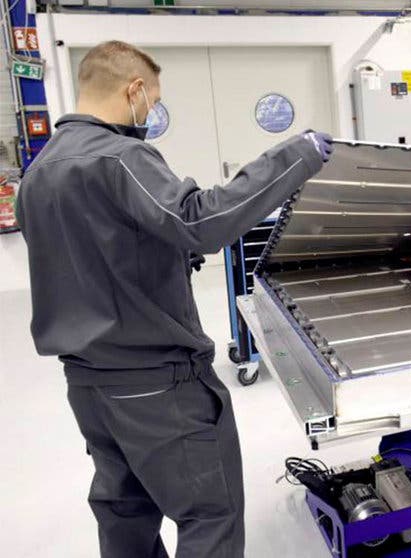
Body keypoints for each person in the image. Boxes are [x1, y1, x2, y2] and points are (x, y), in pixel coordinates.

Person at [15, 41, 333, 557]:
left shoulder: (39, 172)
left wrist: (164, 260)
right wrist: (293, 157)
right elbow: (199, 219)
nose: (151, 112)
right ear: (135, 90)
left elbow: (85, 259)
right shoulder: (121, 157)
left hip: (90, 386)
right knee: (210, 517)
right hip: (158, 384)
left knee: (126, 516)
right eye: (154, 101)